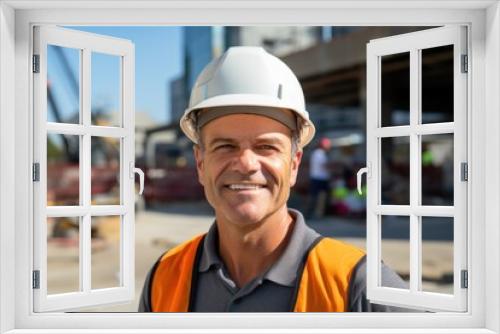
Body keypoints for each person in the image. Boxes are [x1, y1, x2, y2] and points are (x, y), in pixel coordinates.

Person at [139, 46, 409, 312]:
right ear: (200, 163)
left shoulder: (357, 286)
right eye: (225, 146)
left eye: (266, 147)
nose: (246, 164)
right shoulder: (165, 278)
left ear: (293, 164)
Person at [306, 137, 332, 219]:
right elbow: (324, 166)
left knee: (316, 195)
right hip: (320, 178)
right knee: (319, 196)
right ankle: (316, 213)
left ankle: (315, 212)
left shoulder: (317, 153)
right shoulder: (319, 154)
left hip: (317, 177)